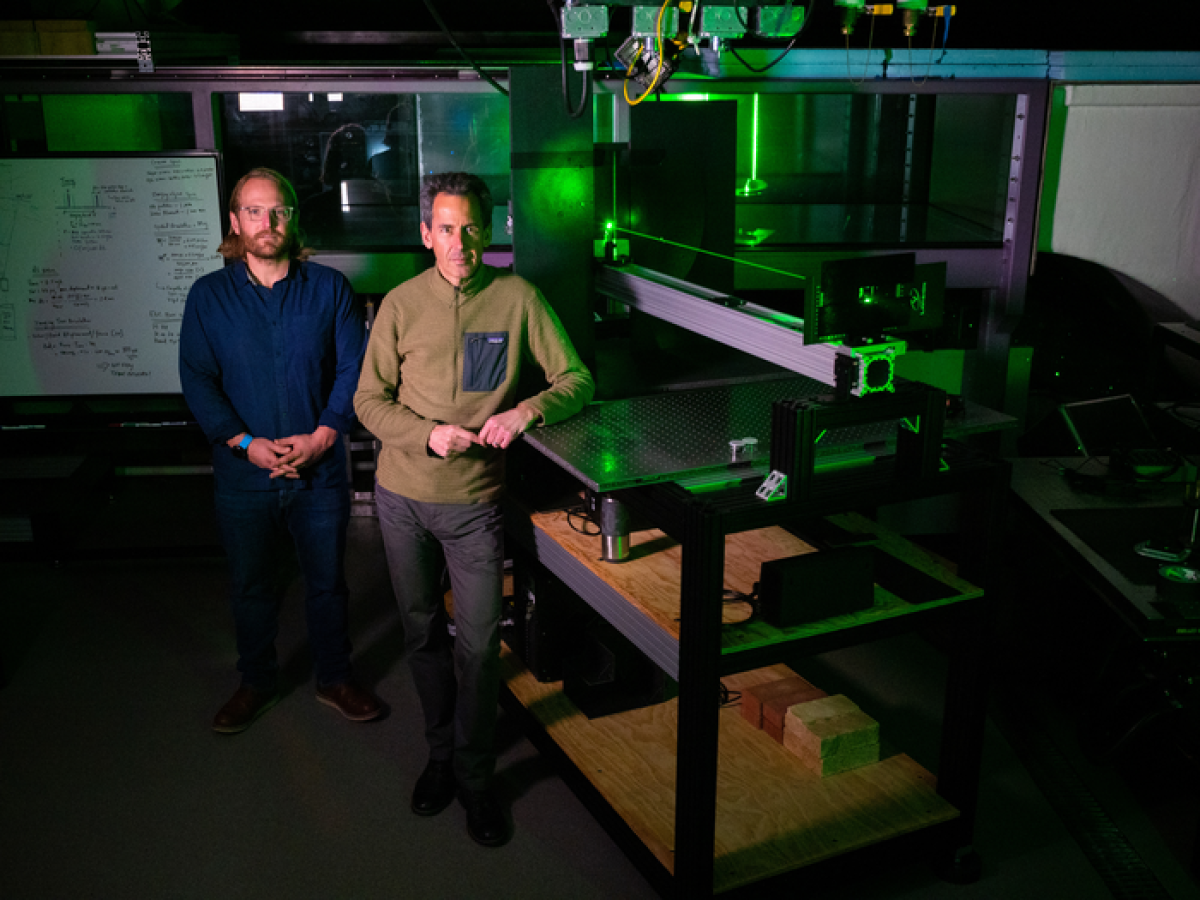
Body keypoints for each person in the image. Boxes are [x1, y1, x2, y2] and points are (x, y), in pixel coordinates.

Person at [354, 172, 594, 846]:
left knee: (482, 645)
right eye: (447, 228)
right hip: (402, 501)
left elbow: (577, 378)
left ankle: (476, 775)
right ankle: (438, 756)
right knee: (421, 632)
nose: (460, 242)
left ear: (490, 231)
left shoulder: (518, 300)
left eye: (472, 228)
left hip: (476, 506)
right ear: (426, 233)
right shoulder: (400, 304)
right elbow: (367, 402)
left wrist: (526, 410)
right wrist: (425, 434)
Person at [179, 167, 382, 735]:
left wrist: (322, 436)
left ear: (293, 217)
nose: (266, 223)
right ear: (235, 222)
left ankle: (335, 677)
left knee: (327, 582)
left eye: (278, 211)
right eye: (253, 211)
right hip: (245, 478)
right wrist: (246, 444)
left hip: (320, 474)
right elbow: (198, 379)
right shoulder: (208, 297)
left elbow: (351, 370)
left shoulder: (329, 289)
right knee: (250, 584)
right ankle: (256, 682)